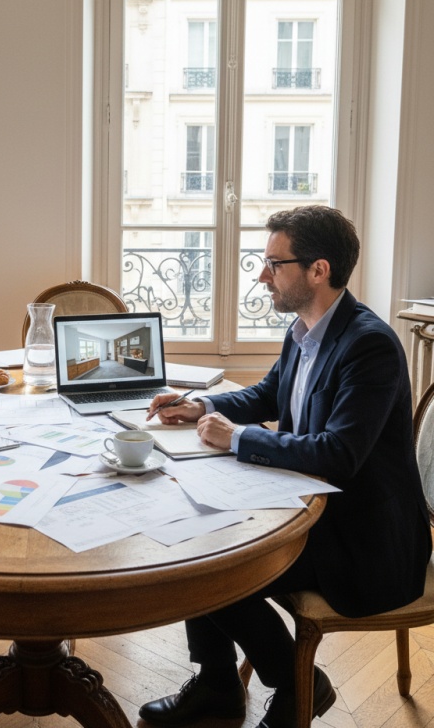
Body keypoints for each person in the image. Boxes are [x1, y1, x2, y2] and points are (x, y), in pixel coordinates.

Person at [139, 205, 432, 728]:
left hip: (366, 541)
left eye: (274, 263)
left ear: (318, 270)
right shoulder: (306, 327)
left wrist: (238, 439)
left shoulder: (369, 346)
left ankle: (297, 685)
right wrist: (202, 406)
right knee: (194, 534)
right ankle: (218, 686)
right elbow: (271, 392)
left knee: (211, 565)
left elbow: (338, 455)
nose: (261, 274)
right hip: (313, 509)